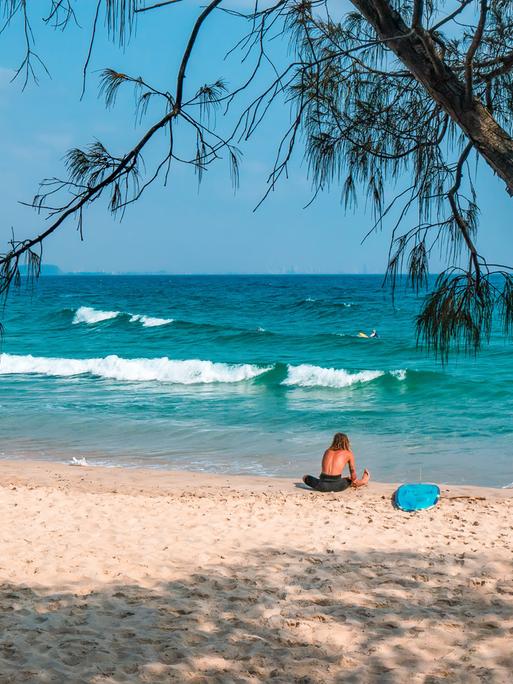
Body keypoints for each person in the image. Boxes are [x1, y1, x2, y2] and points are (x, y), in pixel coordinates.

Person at [303, 432, 370, 492]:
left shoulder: (327, 451)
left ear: (334, 441)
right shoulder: (348, 453)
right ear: (346, 442)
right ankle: (364, 480)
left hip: (322, 485)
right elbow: (353, 473)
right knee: (350, 480)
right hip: (337, 486)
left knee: (305, 477)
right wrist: (351, 479)